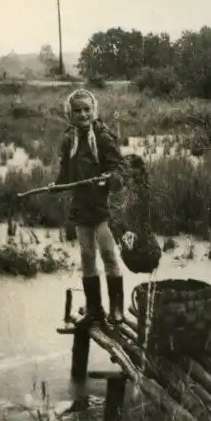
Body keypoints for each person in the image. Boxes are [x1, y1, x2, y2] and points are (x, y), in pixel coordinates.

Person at [51, 88, 127, 327]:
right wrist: (57, 185)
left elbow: (121, 169)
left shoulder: (103, 137)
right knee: (87, 256)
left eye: (87, 109)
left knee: (108, 254)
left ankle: (117, 310)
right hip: (81, 207)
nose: (83, 114)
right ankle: (94, 310)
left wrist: (110, 179)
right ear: (70, 114)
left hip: (103, 207)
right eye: (77, 111)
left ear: (93, 109)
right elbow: (66, 172)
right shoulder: (69, 139)